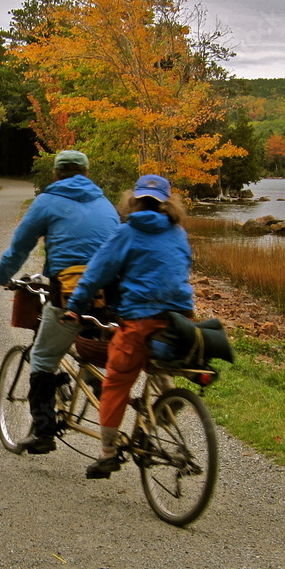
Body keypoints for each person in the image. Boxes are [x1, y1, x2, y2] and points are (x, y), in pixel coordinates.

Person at [64, 174, 193, 478]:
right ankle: (165, 398)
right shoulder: (179, 233)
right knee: (153, 358)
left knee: (116, 381)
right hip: (181, 320)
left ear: (133, 200)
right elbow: (182, 267)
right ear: (168, 202)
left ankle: (108, 453)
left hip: (141, 321)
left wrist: (75, 308)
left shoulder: (128, 233)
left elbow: (96, 273)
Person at [0, 150, 120, 454]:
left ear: (55, 174)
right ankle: (105, 397)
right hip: (110, 293)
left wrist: (1, 276)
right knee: (91, 347)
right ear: (86, 174)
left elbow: (20, 247)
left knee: (43, 359)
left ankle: (43, 432)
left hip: (71, 292)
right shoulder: (105, 204)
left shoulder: (47, 202)